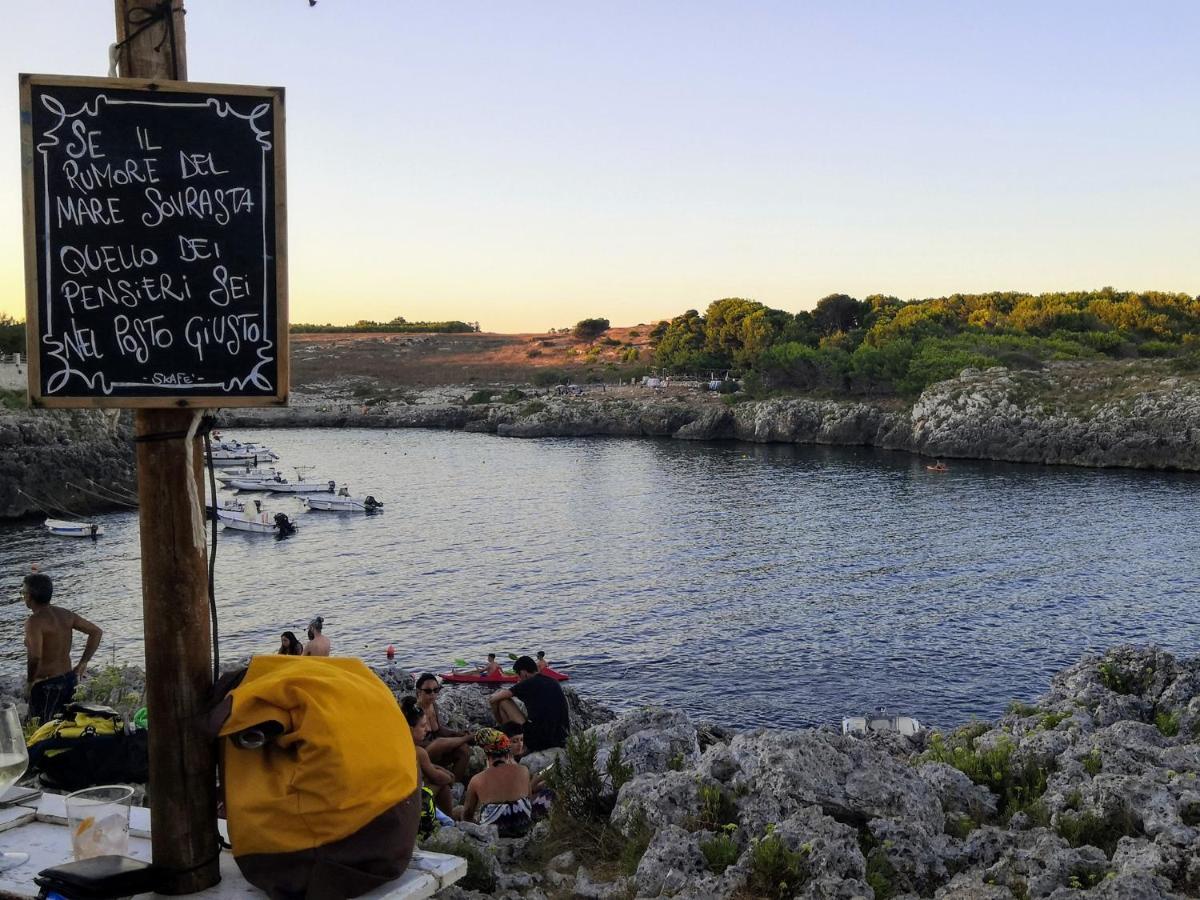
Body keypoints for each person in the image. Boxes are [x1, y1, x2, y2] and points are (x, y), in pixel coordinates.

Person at [22, 573, 102, 722]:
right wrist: (83, 662)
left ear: (30, 596)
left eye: (23, 593)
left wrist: (30, 682)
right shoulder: (65, 614)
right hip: (68, 680)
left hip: (47, 685)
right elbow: (96, 632)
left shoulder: (34, 622)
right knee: (65, 726)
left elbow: (35, 656)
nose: (23, 596)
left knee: (41, 731)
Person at [456, 728, 532, 837]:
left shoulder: (477, 780)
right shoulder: (524, 770)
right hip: (523, 827)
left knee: (459, 811)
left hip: (495, 833)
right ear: (507, 753)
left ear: (487, 755)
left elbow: (467, 815)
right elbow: (529, 799)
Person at [488, 656, 569, 753]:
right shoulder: (552, 681)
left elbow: (494, 700)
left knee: (503, 701)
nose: (518, 679)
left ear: (523, 673)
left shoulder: (528, 683)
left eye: (518, 676)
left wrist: (497, 718)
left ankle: (508, 740)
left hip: (541, 741)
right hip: (562, 738)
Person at [400, 695, 455, 816]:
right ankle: (450, 821)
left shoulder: (399, 745)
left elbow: (426, 766)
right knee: (443, 785)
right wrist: (451, 778)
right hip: (408, 805)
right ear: (410, 728)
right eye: (423, 726)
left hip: (397, 800)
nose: (428, 729)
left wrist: (440, 768)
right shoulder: (418, 751)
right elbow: (437, 778)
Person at [413, 673, 471, 782]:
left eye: (436, 690)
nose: (433, 694)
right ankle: (468, 738)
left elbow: (439, 729)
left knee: (463, 750)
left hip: (437, 750)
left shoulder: (433, 706)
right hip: (421, 753)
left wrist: (457, 734)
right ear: (418, 692)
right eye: (428, 691)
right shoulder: (415, 712)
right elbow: (414, 742)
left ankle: (455, 785)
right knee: (440, 742)